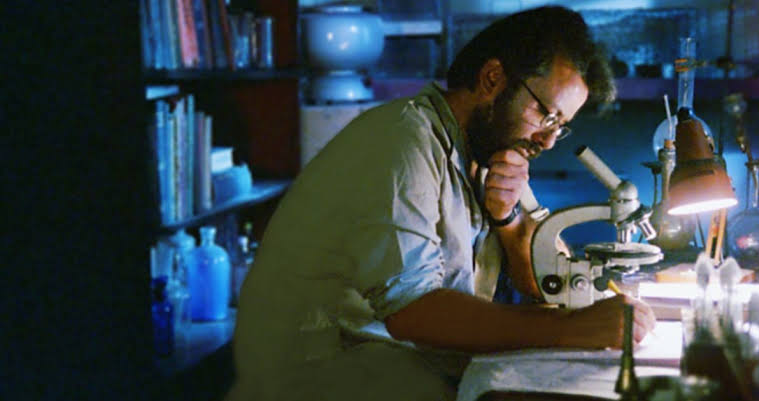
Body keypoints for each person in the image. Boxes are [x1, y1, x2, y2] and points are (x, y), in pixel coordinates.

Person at [226, 6, 656, 401]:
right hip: (324, 378)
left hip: (405, 371)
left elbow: (548, 280)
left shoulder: (489, 150)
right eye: (547, 115)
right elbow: (413, 311)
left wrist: (507, 220)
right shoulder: (403, 140)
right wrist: (572, 328)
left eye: (560, 127)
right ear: (492, 79)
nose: (547, 141)